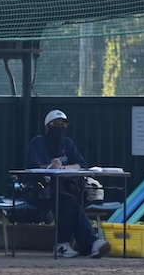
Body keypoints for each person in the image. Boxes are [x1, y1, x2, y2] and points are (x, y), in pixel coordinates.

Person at [26, 109, 111, 258]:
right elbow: (33, 167)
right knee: (68, 202)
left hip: (67, 189)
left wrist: (64, 168)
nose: (60, 127)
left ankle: (88, 246)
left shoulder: (68, 144)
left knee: (71, 202)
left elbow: (80, 164)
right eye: (56, 124)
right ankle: (68, 244)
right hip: (42, 192)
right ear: (47, 126)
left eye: (63, 124)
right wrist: (50, 166)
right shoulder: (38, 143)